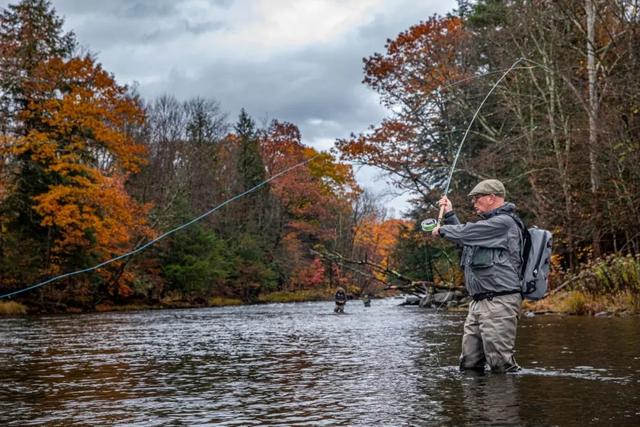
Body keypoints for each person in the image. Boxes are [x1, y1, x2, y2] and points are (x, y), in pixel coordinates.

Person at [430, 179, 523, 373]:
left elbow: (468, 232)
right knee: (469, 363)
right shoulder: (487, 227)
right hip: (478, 303)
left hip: (499, 302)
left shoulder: (504, 223)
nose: (474, 202)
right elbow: (467, 241)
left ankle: (503, 402)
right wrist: (449, 214)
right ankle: (476, 404)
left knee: (500, 365)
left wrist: (443, 229)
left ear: (491, 198)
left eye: (476, 198)